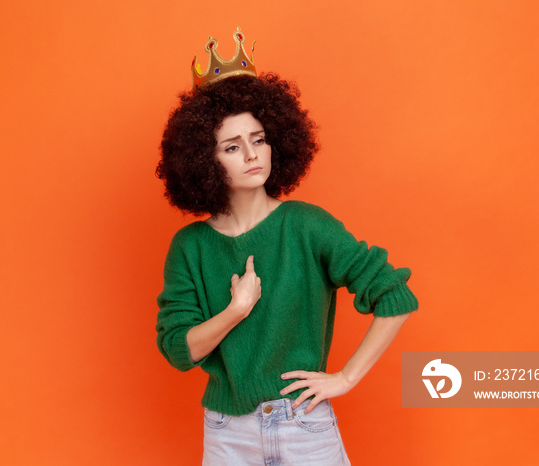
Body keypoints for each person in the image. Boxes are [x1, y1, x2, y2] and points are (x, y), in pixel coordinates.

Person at [155, 28, 418, 465]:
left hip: (302, 426)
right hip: (225, 433)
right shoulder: (190, 247)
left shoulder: (306, 226)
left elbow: (396, 296)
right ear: (205, 160)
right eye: (232, 147)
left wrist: (346, 378)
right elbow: (180, 350)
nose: (252, 155)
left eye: (258, 139)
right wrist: (236, 310)